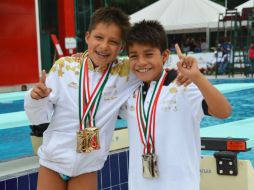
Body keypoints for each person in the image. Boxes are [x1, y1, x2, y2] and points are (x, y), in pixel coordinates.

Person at [24, 7, 140, 190]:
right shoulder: (64, 67)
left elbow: (152, 66)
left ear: (121, 46)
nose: (103, 46)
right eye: (99, 37)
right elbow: (39, 118)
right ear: (87, 37)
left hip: (87, 166)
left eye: (113, 41)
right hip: (53, 162)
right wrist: (36, 98)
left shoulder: (125, 73)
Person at [119, 20, 232, 190]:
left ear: (164, 56)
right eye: (134, 56)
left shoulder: (183, 86)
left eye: (148, 54)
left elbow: (224, 112)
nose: (141, 62)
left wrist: (197, 77)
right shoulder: (130, 92)